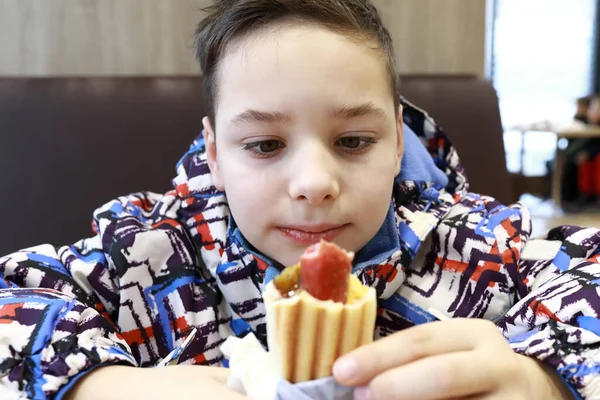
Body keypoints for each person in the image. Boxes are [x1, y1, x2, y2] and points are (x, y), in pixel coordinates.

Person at [0, 1, 598, 399]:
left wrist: (543, 375)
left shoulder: (472, 249)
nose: (314, 181)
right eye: (264, 144)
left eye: (353, 141)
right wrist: (96, 385)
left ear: (396, 143)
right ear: (213, 152)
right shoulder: (152, 253)